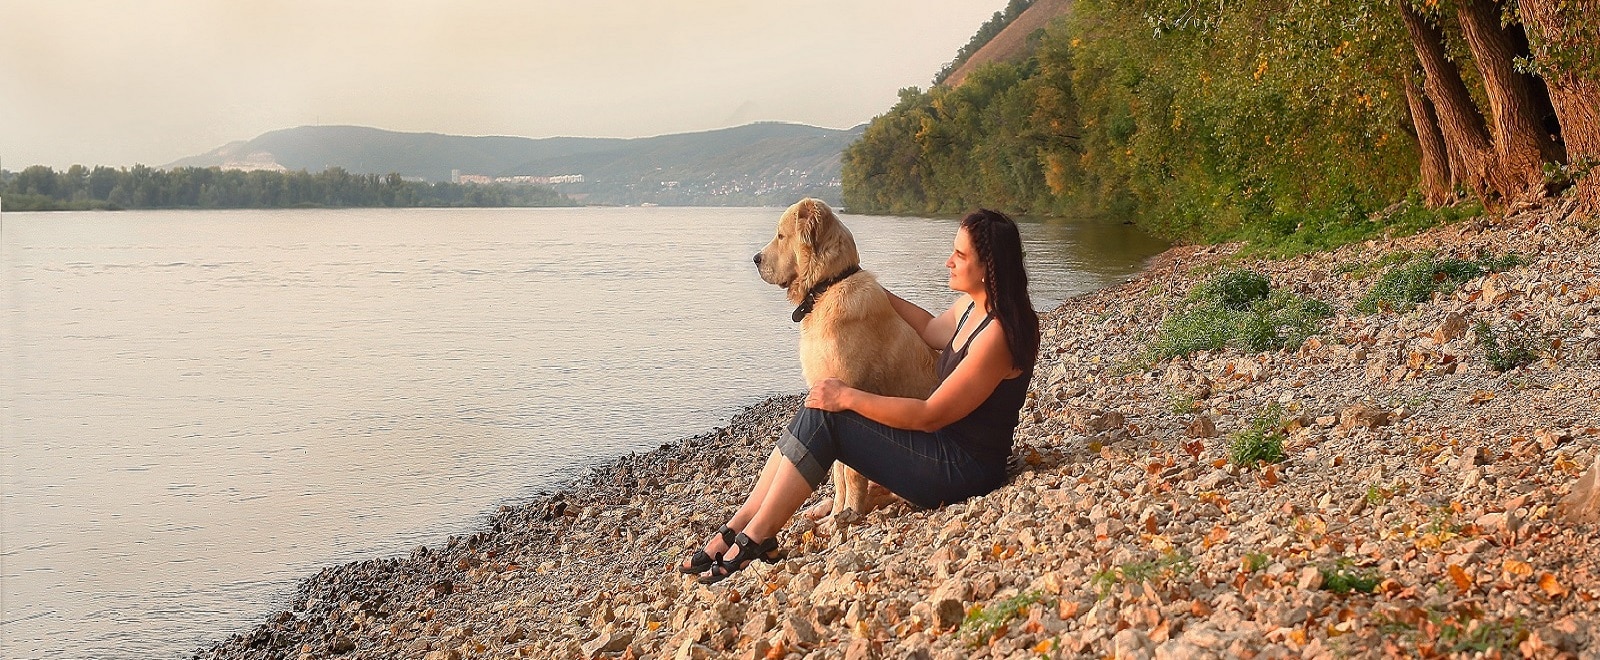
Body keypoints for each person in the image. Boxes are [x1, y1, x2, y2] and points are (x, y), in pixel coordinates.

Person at [678, 209, 1041, 584]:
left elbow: (931, 414)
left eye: (960, 256)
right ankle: (741, 524)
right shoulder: (972, 307)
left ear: (988, 267)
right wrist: (858, 284)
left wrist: (847, 398)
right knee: (819, 405)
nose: (948, 261)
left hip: (961, 470)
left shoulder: (997, 335)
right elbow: (931, 329)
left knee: (829, 412)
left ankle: (757, 535)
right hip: (939, 450)